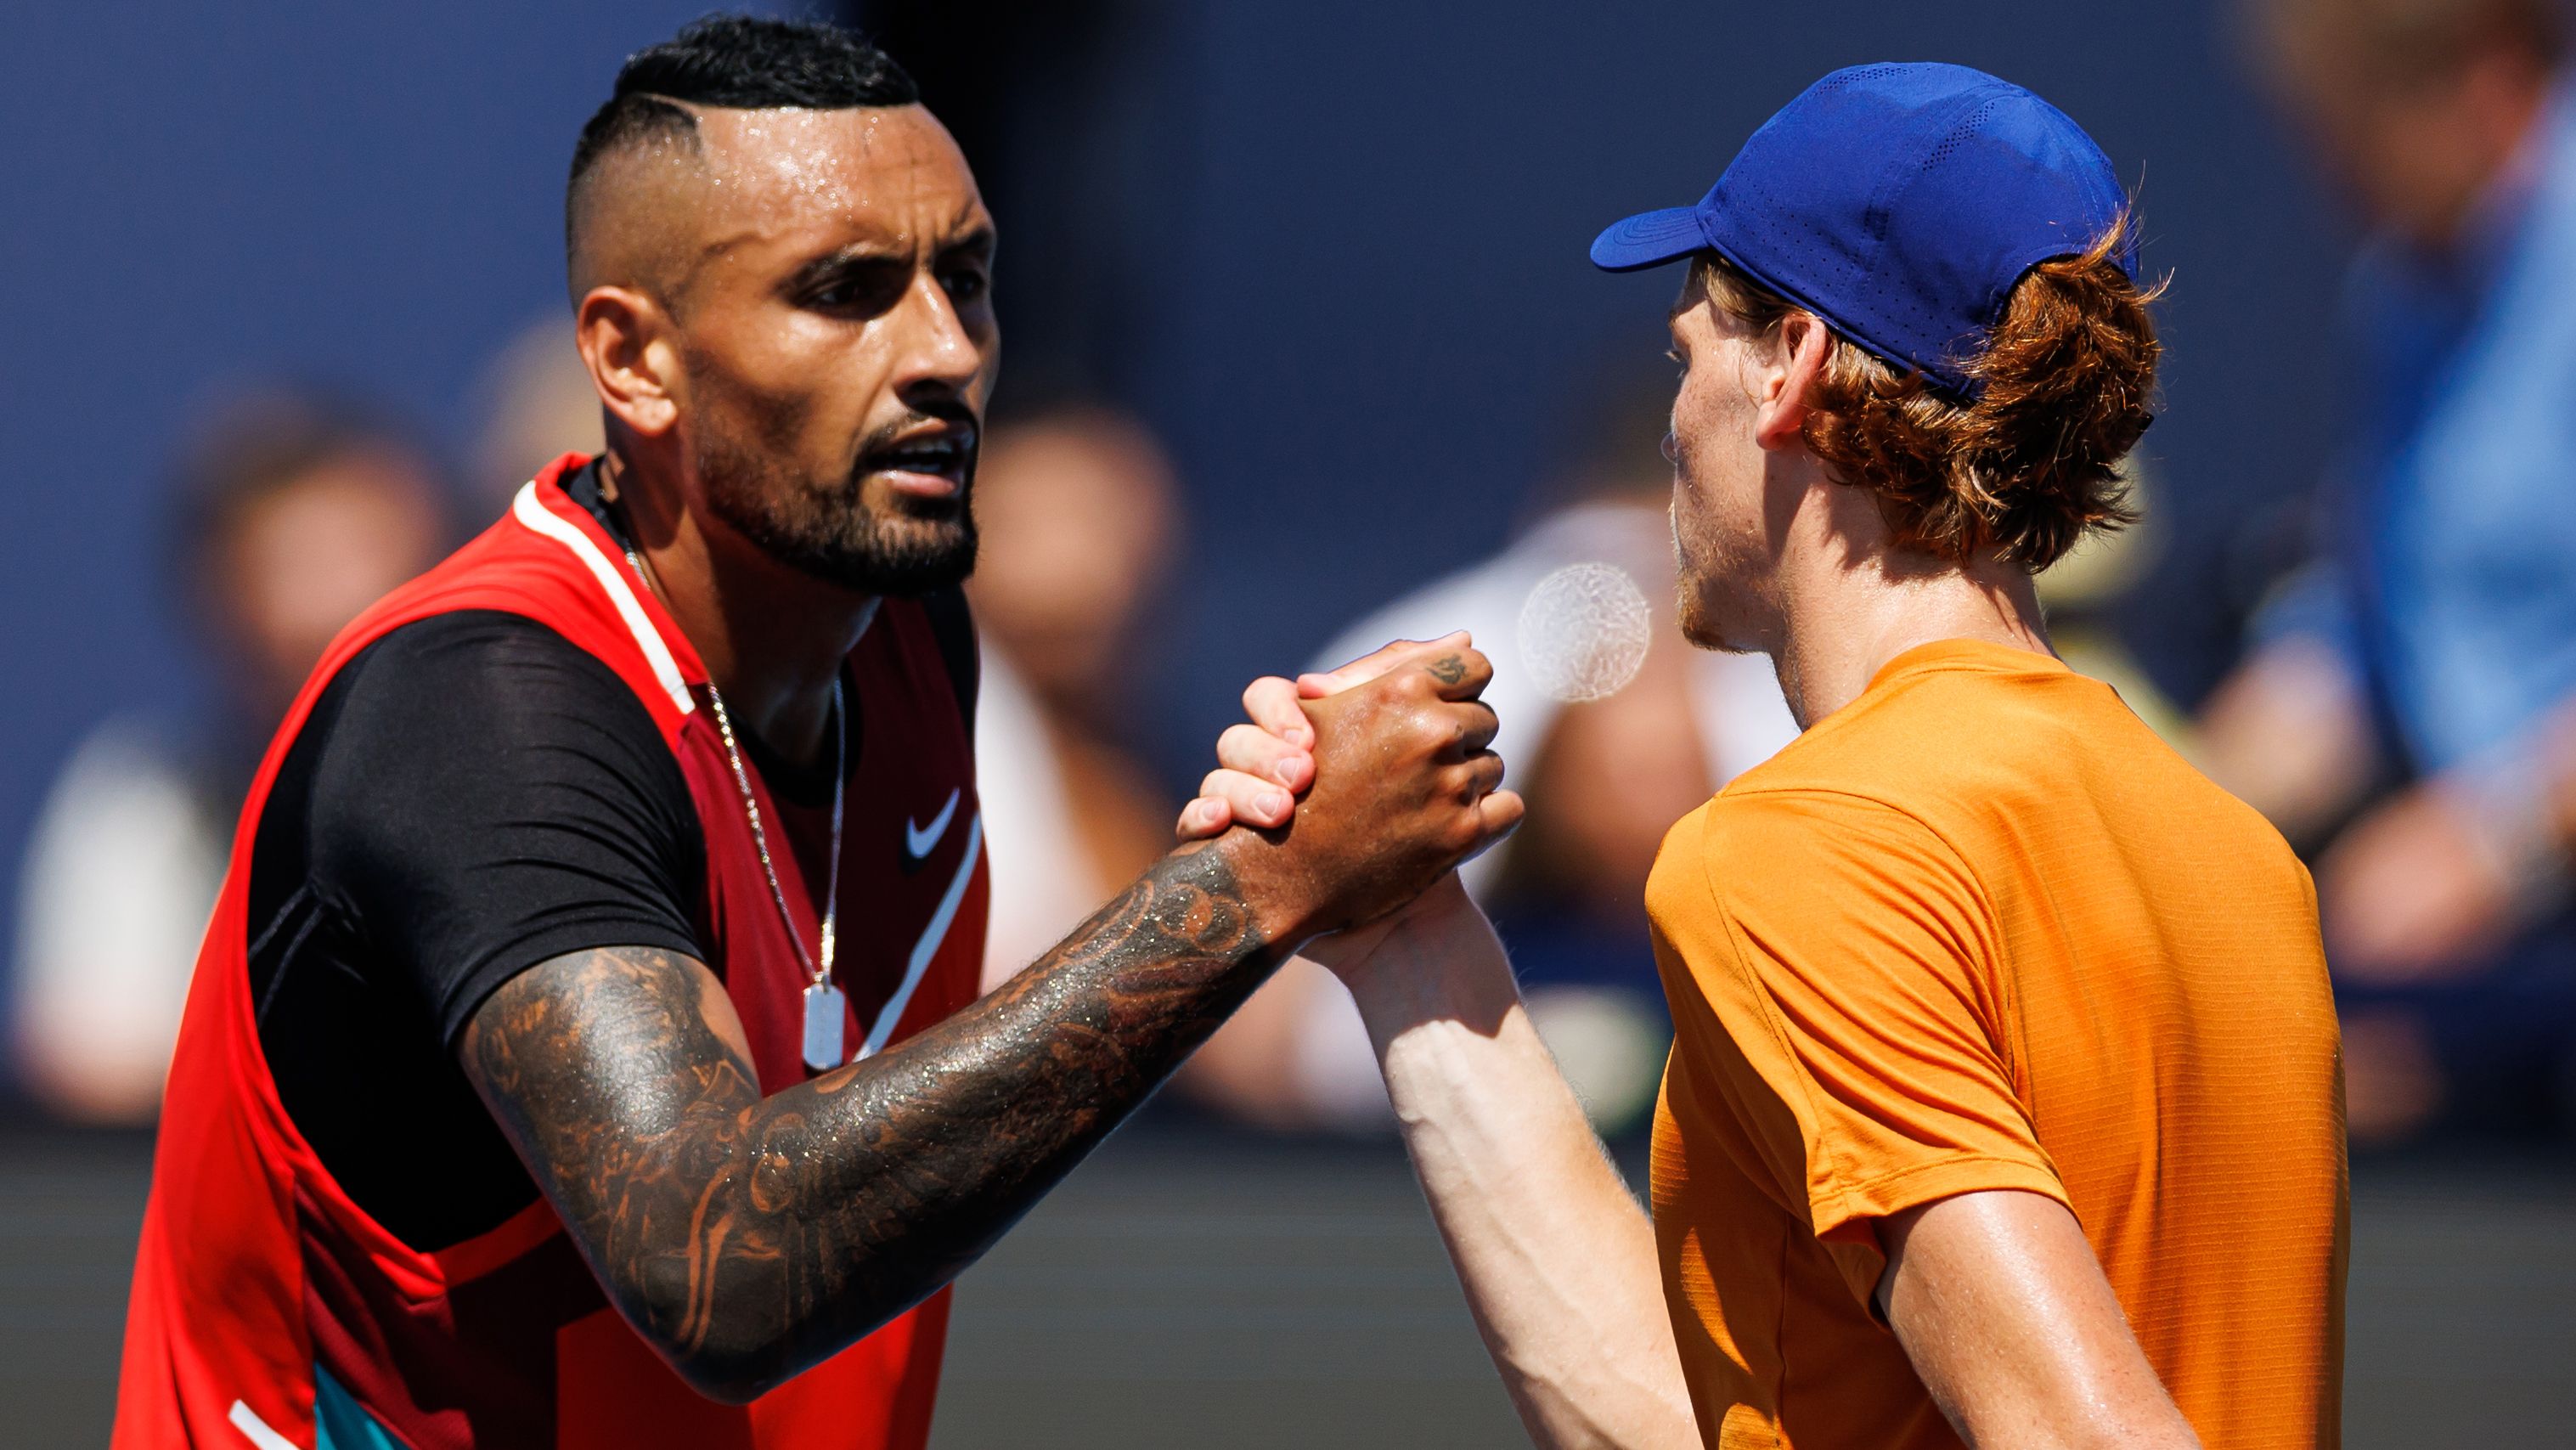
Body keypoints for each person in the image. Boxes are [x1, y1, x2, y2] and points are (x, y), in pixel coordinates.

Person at [112, 18, 1517, 1450]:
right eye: (843, 292)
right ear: (634, 358)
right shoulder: (481, 714)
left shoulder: (912, 633)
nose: (944, 353)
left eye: (964, 279)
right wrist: (1251, 889)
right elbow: (718, 1264)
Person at [1186, 64, 2346, 1449]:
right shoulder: (2240, 859)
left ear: (1788, 367)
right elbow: (1704, 1424)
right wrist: (1406, 946)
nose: (1670, 425)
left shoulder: (1804, 849)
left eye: (1688, 357)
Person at [2198, 0, 2576, 1141]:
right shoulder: (2397, 295)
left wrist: (2492, 846)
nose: (2328, 168)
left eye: (2352, 125)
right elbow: (2356, 639)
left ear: (2484, 75)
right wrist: (2182, 805)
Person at [11, 391, 450, 1123]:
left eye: (365, 551)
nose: (345, 600)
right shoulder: (147, 802)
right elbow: (88, 1066)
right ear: (224, 601)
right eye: (300, 563)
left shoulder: (519, 776)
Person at [962, 402, 1182, 990]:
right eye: (1037, 525)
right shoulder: (950, 739)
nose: (1093, 570)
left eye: (1111, 522)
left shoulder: (1136, 760)